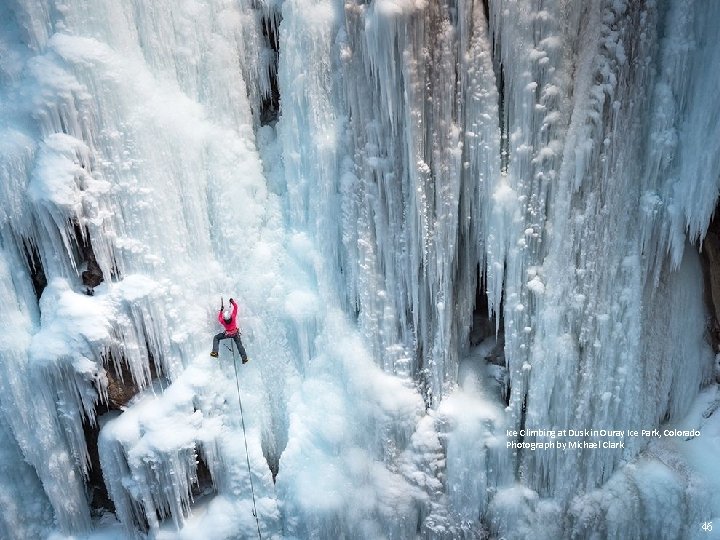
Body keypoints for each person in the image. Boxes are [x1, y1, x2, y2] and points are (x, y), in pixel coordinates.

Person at [210, 298, 249, 363]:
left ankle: (215, 352)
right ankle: (244, 358)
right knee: (239, 345)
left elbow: (219, 318)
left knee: (216, 337)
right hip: (235, 334)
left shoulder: (223, 321)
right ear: (230, 316)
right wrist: (232, 302)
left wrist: (221, 310)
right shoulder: (233, 317)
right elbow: (236, 307)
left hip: (227, 334)